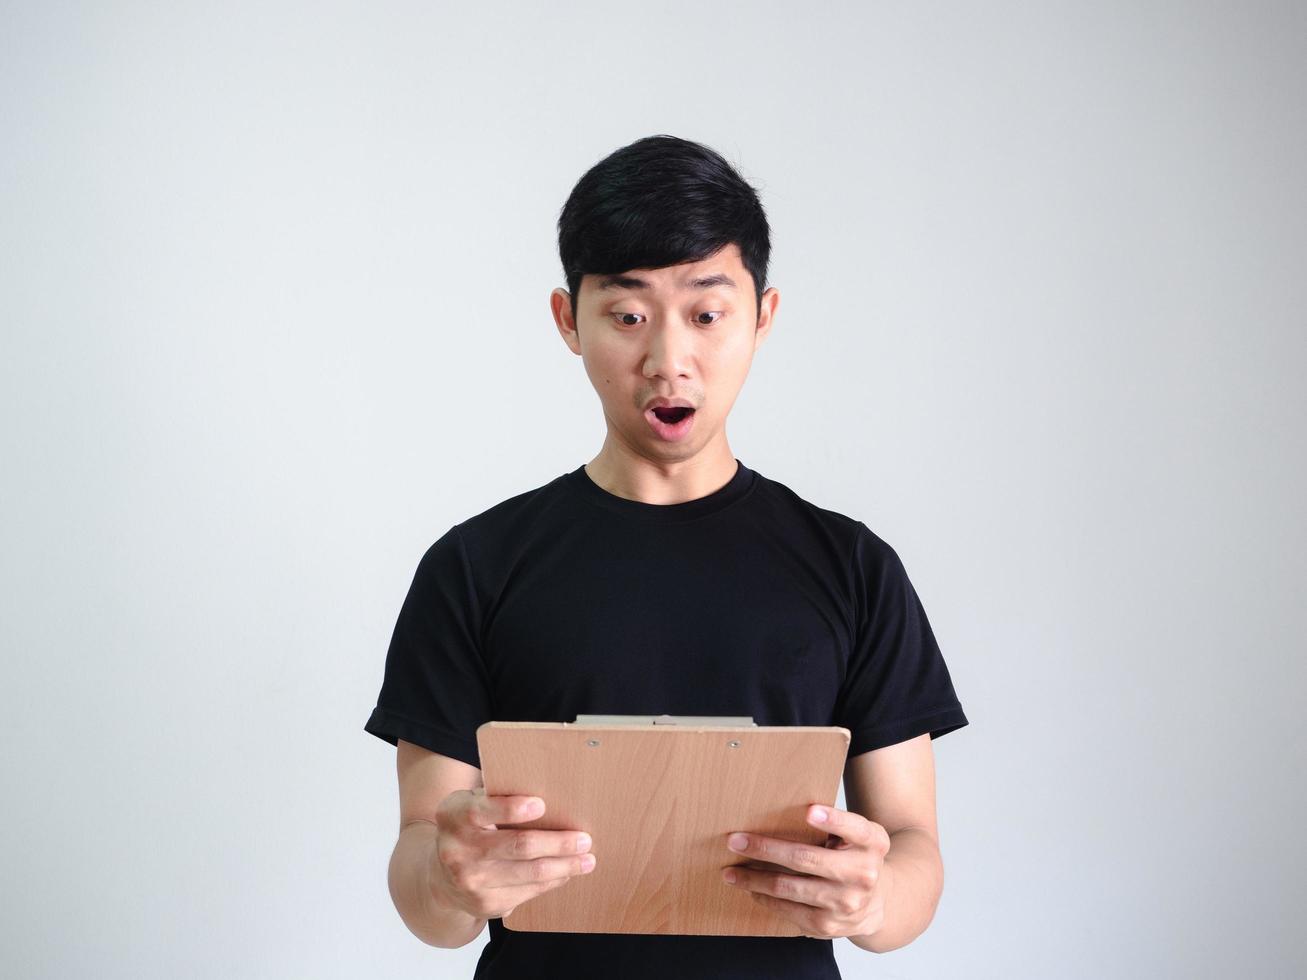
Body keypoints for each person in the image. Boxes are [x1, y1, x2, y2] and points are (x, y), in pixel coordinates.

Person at [363, 134, 969, 980]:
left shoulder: (853, 567)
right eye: (627, 315)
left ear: (762, 317)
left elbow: (914, 852)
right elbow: (424, 875)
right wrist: (452, 878)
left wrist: (872, 898)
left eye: (707, 312)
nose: (667, 360)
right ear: (567, 320)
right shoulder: (474, 566)